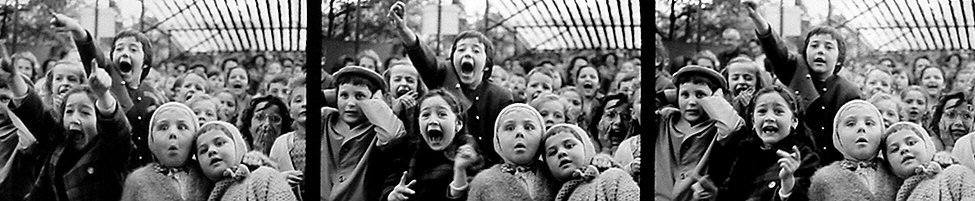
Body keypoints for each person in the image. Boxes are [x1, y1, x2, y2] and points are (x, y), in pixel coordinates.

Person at [389, 1, 514, 165]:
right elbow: (423, 57)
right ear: (452, 58)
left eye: (475, 50)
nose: (467, 54)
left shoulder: (500, 97)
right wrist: (403, 30)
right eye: (461, 49)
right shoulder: (442, 76)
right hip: (443, 168)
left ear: (487, 65)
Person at [746, 2, 861, 165]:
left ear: (839, 60)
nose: (820, 50)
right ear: (805, 52)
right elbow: (775, 49)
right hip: (795, 160)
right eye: (814, 45)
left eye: (828, 47)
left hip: (834, 164)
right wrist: (757, 17)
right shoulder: (795, 70)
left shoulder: (849, 92)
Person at [8, 64, 132, 200]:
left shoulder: (111, 150)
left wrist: (103, 95)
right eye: (69, 111)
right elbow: (36, 114)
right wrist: (13, 79)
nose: (75, 119)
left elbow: (116, 128)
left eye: (85, 113)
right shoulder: (59, 148)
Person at [54, 13, 160, 170]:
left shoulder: (153, 95)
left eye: (133, 49)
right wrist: (77, 29)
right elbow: (91, 54)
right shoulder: (109, 78)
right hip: (108, 168)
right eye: (119, 48)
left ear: (145, 62)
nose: (125, 53)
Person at [710, 86, 820, 200]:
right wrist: (712, 194)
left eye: (778, 111)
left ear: (794, 121)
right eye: (762, 111)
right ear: (753, 121)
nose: (769, 118)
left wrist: (787, 183)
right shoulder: (743, 153)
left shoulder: (804, 157)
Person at [653, 66, 742, 200]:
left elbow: (732, 127)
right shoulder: (665, 119)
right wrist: (666, 95)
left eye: (700, 95)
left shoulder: (716, 127)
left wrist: (717, 99)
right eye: (685, 95)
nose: (692, 102)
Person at [321, 66, 408, 201]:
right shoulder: (326, 119)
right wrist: (332, 93)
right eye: (344, 95)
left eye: (360, 96)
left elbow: (392, 135)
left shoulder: (376, 127)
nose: (351, 103)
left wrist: (377, 101)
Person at [382, 90, 483, 201]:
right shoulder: (406, 152)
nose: (433, 121)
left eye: (442, 114)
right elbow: (387, 187)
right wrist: (392, 196)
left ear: (458, 123)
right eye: (425, 115)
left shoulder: (468, 155)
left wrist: (459, 171)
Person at [807, 100, 899, 200]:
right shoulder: (823, 179)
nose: (861, 128)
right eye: (851, 124)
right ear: (837, 135)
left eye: (869, 123)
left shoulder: (895, 170)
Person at [121, 103, 212, 201]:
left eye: (182, 127)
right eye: (163, 128)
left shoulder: (207, 173)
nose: (172, 133)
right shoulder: (137, 181)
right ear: (152, 139)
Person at [466, 104, 557, 201]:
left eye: (529, 127)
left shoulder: (554, 174)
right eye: (509, 128)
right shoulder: (483, 182)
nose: (519, 132)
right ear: (497, 139)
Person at [196, 121, 297, 201]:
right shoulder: (203, 196)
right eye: (203, 150)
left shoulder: (263, 177)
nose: (211, 151)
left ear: (238, 147)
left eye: (219, 143)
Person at [541, 123, 639, 201]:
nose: (561, 153)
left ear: (586, 149)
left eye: (569, 146)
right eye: (553, 152)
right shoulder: (552, 196)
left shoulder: (612, 178)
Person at [881, 122, 975, 201]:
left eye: (911, 143)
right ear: (890, 166)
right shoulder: (897, 195)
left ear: (928, 147)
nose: (904, 149)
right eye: (894, 149)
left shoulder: (956, 174)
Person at [269, 75, 309, 200]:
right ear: (290, 111)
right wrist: (281, 180)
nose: (305, 104)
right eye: (298, 100)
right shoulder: (280, 143)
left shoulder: (329, 138)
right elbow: (269, 180)